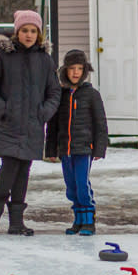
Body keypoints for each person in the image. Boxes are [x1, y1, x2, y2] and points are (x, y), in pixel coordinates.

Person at [0, 10, 61, 236]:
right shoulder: (4, 57)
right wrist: (2, 108)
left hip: (33, 125)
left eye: (33, 31)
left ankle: (16, 222)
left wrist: (44, 112)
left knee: (23, 171)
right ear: (17, 32)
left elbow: (54, 92)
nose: (28, 35)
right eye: (24, 30)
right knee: (9, 168)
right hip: (8, 123)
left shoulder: (45, 60)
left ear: (39, 33)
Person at [45, 49, 109, 236]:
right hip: (65, 149)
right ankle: (78, 220)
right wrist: (50, 149)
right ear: (65, 70)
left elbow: (100, 123)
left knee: (82, 184)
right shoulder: (60, 95)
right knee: (71, 186)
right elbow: (53, 125)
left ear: (84, 71)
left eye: (79, 68)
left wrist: (99, 148)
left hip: (84, 149)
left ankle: (89, 220)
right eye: (72, 68)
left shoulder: (91, 95)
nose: (75, 72)